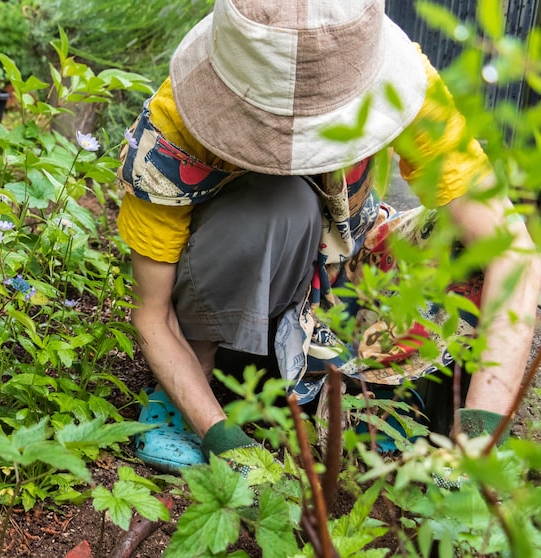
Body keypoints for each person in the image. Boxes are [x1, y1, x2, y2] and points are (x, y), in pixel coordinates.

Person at [118, 0, 541, 473]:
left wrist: (482, 443)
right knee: (279, 203)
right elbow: (151, 314)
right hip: (234, 302)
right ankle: (194, 380)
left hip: (337, 274)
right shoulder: (175, 129)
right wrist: (219, 436)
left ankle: (373, 399)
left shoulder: (407, 89)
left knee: (464, 240)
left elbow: (515, 255)